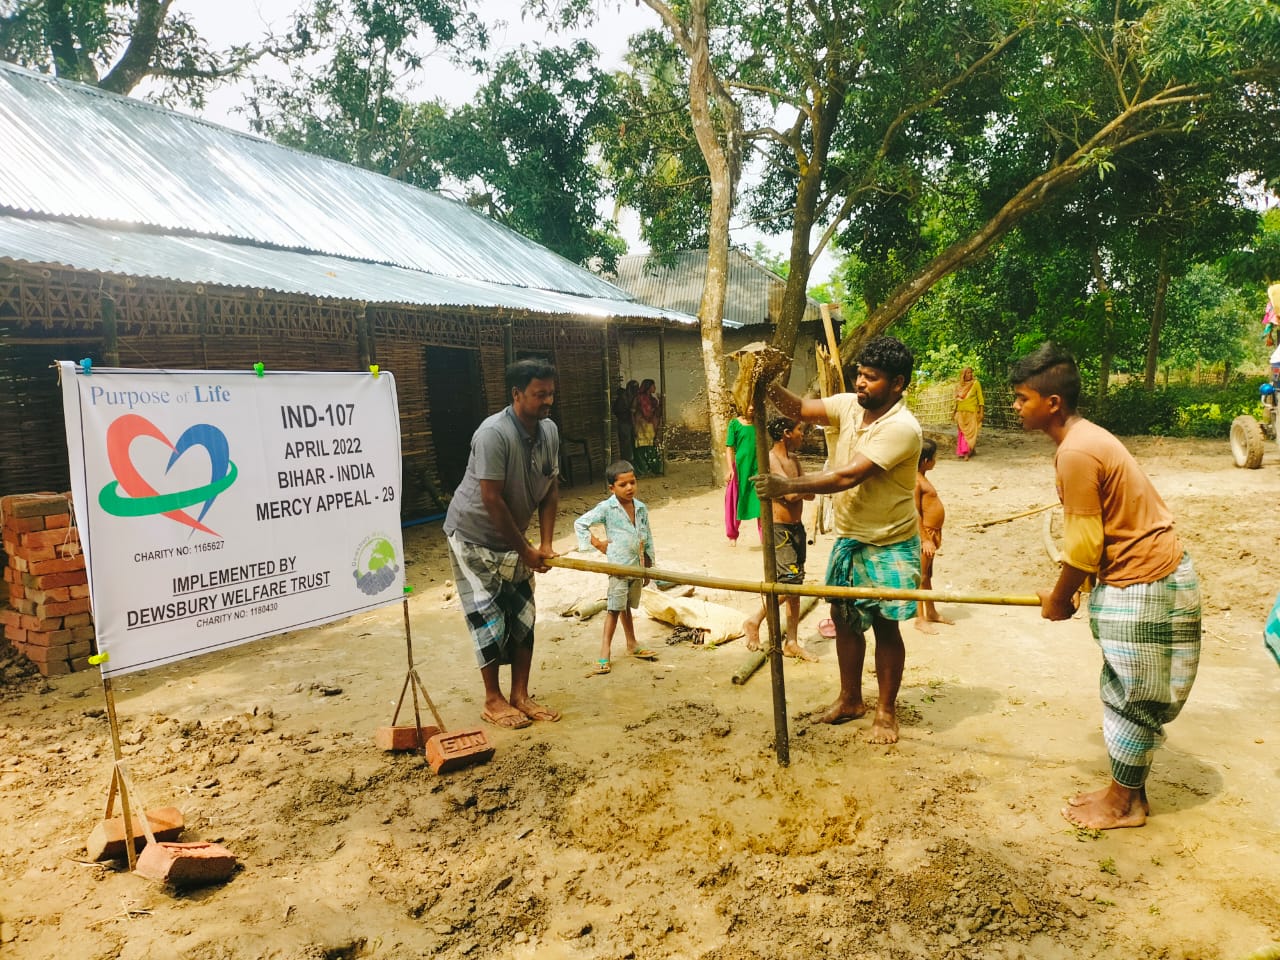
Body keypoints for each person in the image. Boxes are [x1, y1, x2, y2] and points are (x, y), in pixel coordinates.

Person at [1011, 342, 1201, 830]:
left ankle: (1124, 804)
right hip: (1151, 573)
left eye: (1022, 398)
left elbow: (1083, 544)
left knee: (1131, 695)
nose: (1016, 407)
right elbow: (1097, 538)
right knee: (1130, 689)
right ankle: (1125, 791)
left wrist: (1057, 599)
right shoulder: (1086, 438)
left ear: (1052, 403)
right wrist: (1076, 589)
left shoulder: (1075, 451)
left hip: (1145, 579)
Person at [754, 335, 922, 744]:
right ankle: (850, 699)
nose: (861, 383)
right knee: (846, 623)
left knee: (885, 627)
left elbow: (848, 475)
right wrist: (763, 382)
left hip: (890, 541)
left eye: (872, 377)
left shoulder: (902, 428)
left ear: (897, 383)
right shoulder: (849, 405)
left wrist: (785, 484)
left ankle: (885, 709)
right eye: (860, 374)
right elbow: (800, 409)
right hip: (850, 538)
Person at [443, 358, 563, 730]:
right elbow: (492, 500)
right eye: (539, 394)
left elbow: (550, 489)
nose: (547, 402)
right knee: (489, 616)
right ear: (516, 394)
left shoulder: (549, 432)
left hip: (515, 538)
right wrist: (525, 549)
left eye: (551, 394)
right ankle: (493, 700)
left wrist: (544, 544)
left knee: (523, 613)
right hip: (474, 537)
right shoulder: (493, 434)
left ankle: (521, 695)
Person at [742, 417, 817, 661]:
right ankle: (754, 620)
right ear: (786, 433)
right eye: (798, 431)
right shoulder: (771, 460)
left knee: (795, 586)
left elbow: (806, 493)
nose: (802, 435)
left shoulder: (794, 460)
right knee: (791, 584)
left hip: (796, 527)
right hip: (780, 529)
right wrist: (798, 490)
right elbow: (795, 492)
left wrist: (797, 490)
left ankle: (791, 641)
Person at [574, 459, 659, 675]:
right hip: (618, 569)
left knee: (626, 605)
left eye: (633, 482)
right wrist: (597, 543)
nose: (629, 487)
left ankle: (632, 643)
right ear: (612, 488)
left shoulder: (641, 508)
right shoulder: (607, 508)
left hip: (636, 567)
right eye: (623, 484)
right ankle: (605, 652)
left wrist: (648, 565)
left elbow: (646, 536)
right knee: (614, 608)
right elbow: (580, 523)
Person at [913, 437, 954, 633]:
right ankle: (920, 619)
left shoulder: (923, 478)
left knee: (927, 575)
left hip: (932, 533)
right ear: (925, 461)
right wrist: (925, 539)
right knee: (920, 576)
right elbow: (915, 512)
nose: (936, 461)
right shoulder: (916, 481)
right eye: (934, 457)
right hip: (925, 535)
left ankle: (931, 612)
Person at [724, 403, 761, 544]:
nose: (752, 407)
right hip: (740, 468)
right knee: (734, 501)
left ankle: (765, 538)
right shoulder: (734, 424)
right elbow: (730, 448)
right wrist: (730, 469)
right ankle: (732, 535)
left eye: (753, 404)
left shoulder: (759, 424)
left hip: (757, 467)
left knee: (761, 502)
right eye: (748, 405)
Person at [631, 378, 663, 476]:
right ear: (648, 387)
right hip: (640, 426)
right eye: (653, 386)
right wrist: (633, 426)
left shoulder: (653, 400)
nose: (655, 388)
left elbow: (658, 413)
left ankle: (655, 469)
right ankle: (641, 471)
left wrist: (661, 402)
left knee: (651, 448)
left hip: (650, 427)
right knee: (640, 450)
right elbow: (632, 413)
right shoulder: (638, 398)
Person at [952, 366, 985, 460]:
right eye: (967, 373)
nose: (970, 375)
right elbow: (956, 401)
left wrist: (981, 412)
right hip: (960, 412)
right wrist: (954, 412)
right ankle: (968, 450)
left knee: (970, 433)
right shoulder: (958, 386)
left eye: (971, 373)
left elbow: (980, 398)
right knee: (962, 433)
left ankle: (966, 453)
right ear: (963, 374)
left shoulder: (975, 383)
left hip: (972, 411)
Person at [613, 380, 637, 461]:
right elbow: (616, 410)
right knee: (626, 443)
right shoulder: (622, 398)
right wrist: (626, 412)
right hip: (624, 423)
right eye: (634, 387)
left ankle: (632, 461)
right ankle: (627, 461)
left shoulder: (633, 397)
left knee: (632, 442)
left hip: (631, 422)